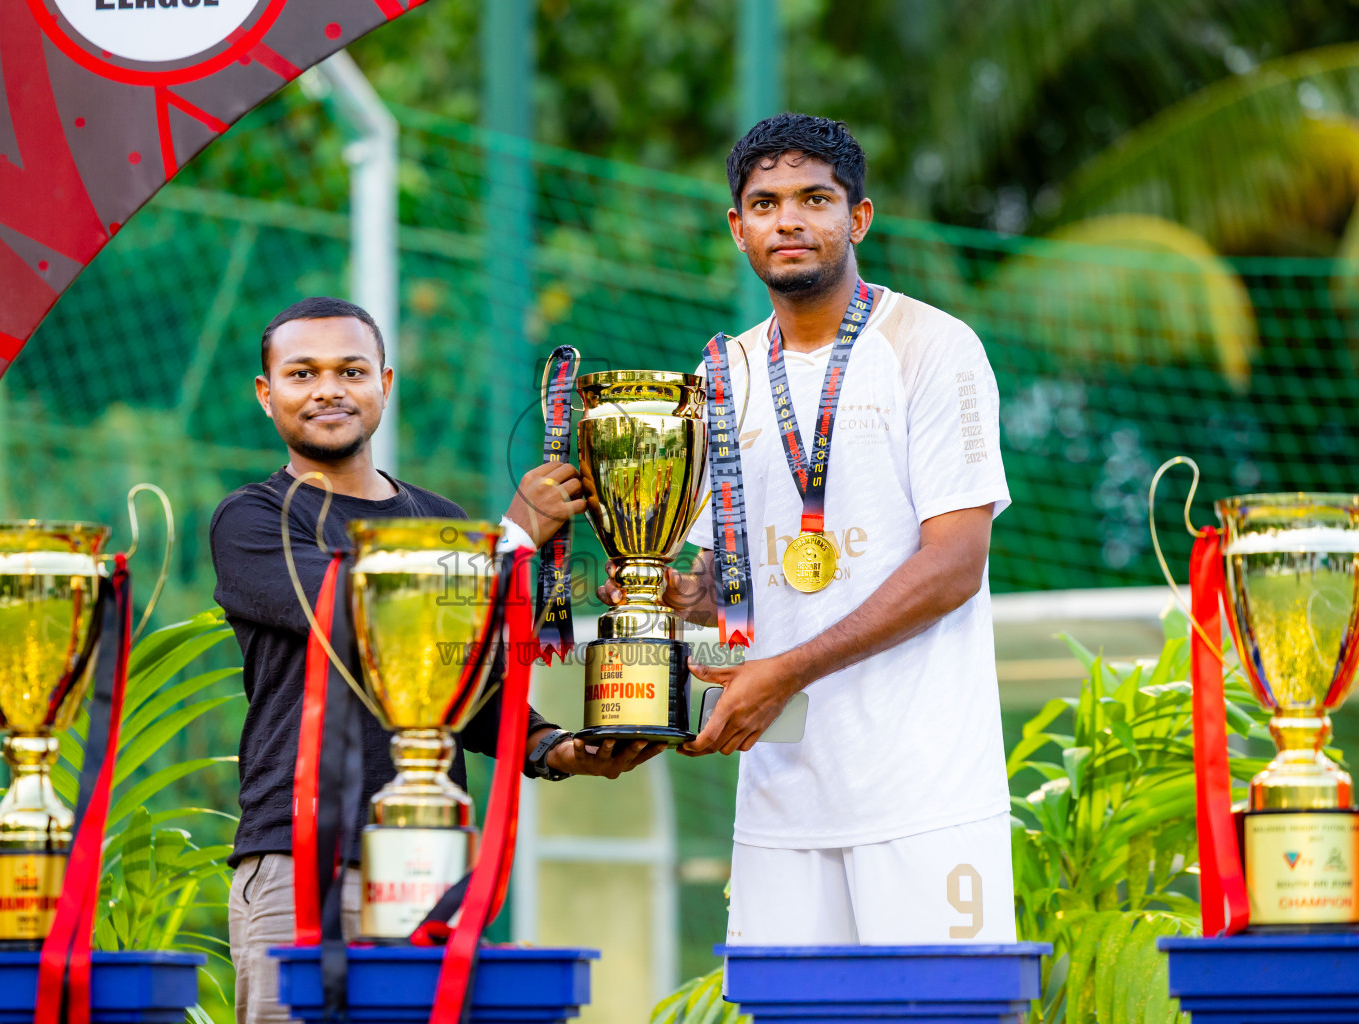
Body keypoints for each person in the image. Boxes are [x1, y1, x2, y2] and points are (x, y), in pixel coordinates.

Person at [601, 114, 1015, 946]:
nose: (788, 220)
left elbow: (954, 566)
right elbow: (736, 578)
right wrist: (679, 595)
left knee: (938, 1020)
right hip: (783, 792)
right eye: (765, 202)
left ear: (857, 219)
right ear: (738, 227)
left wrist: (784, 670)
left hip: (924, 791)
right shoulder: (721, 375)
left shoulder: (933, 347)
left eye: (814, 199)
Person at [214, 297, 660, 1024]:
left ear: (385, 384)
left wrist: (555, 747)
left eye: (351, 370)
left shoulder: (439, 521)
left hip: (432, 858)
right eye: (303, 373)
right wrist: (512, 538)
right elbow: (357, 614)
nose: (329, 388)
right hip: (302, 858)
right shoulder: (255, 519)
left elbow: (465, 683)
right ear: (267, 396)